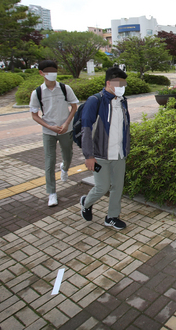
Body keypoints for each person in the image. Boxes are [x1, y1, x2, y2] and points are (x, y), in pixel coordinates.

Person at [79, 67, 131, 230]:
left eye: (124, 83)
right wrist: (89, 156)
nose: (122, 87)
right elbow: (86, 129)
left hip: (119, 153)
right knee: (102, 187)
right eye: (119, 83)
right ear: (109, 83)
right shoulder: (95, 101)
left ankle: (112, 217)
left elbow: (125, 126)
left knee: (117, 187)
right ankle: (86, 203)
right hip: (100, 154)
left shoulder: (123, 100)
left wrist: (126, 148)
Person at [29, 60, 79, 207]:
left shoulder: (64, 88)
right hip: (48, 132)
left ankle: (64, 168)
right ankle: (52, 193)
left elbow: (74, 107)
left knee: (68, 155)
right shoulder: (37, 92)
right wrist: (49, 127)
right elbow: (34, 115)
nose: (53, 73)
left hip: (65, 130)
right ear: (41, 73)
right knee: (49, 161)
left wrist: (66, 123)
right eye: (49, 71)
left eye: (55, 70)